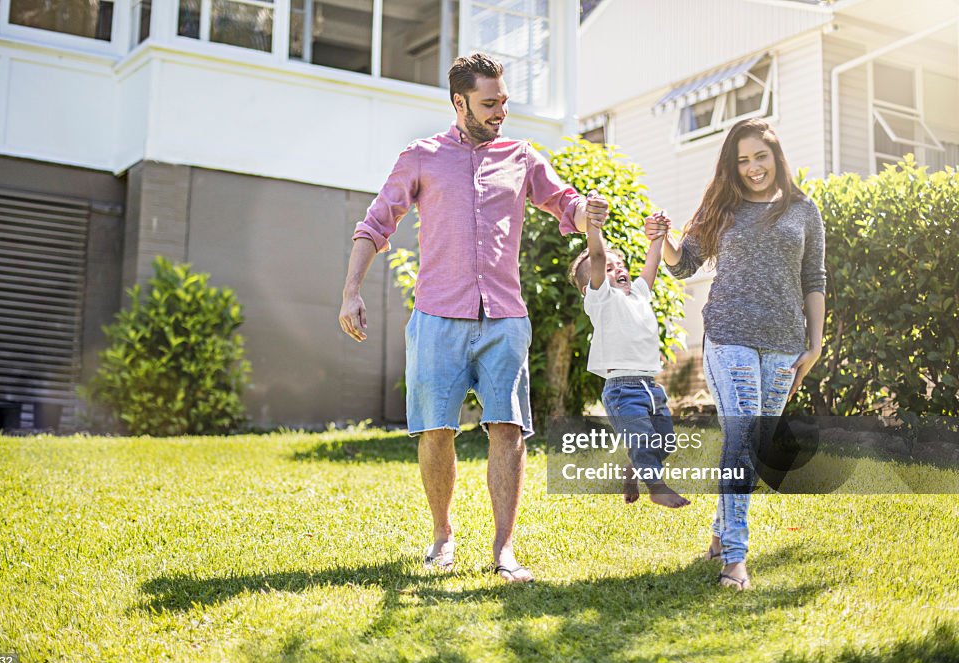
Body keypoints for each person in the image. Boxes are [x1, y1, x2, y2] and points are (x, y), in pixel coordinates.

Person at [338, 52, 609, 583]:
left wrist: (586, 211)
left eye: (504, 102)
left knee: (508, 429)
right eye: (489, 104)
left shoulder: (521, 156)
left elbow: (563, 202)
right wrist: (351, 291)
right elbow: (375, 224)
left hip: (505, 315)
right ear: (459, 102)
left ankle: (503, 549)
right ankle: (442, 537)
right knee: (436, 429)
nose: (499, 112)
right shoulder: (420, 157)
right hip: (438, 314)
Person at [651, 118, 826, 591]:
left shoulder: (804, 210)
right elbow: (683, 263)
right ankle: (734, 558)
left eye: (760, 157)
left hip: (785, 342)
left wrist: (816, 342)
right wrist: (661, 236)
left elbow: (815, 279)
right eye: (742, 160)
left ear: (776, 156)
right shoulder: (721, 206)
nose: (752, 168)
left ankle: (718, 533)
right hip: (729, 335)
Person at [568, 213, 691, 509]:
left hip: (651, 385)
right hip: (622, 389)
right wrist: (593, 229)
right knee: (643, 440)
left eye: (620, 265)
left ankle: (633, 470)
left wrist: (659, 235)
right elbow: (596, 257)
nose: (618, 269)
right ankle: (658, 487)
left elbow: (652, 263)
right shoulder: (600, 300)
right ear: (591, 287)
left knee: (666, 443)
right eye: (609, 269)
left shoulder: (638, 294)